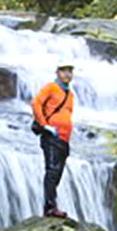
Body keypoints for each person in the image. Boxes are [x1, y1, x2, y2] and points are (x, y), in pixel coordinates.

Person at [30, 63, 75, 219]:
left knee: (57, 174)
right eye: (64, 71)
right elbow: (36, 102)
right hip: (52, 136)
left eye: (70, 71)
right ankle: (50, 207)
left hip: (64, 138)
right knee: (52, 171)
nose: (68, 74)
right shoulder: (51, 87)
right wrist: (44, 125)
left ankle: (50, 206)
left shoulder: (70, 94)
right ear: (57, 72)